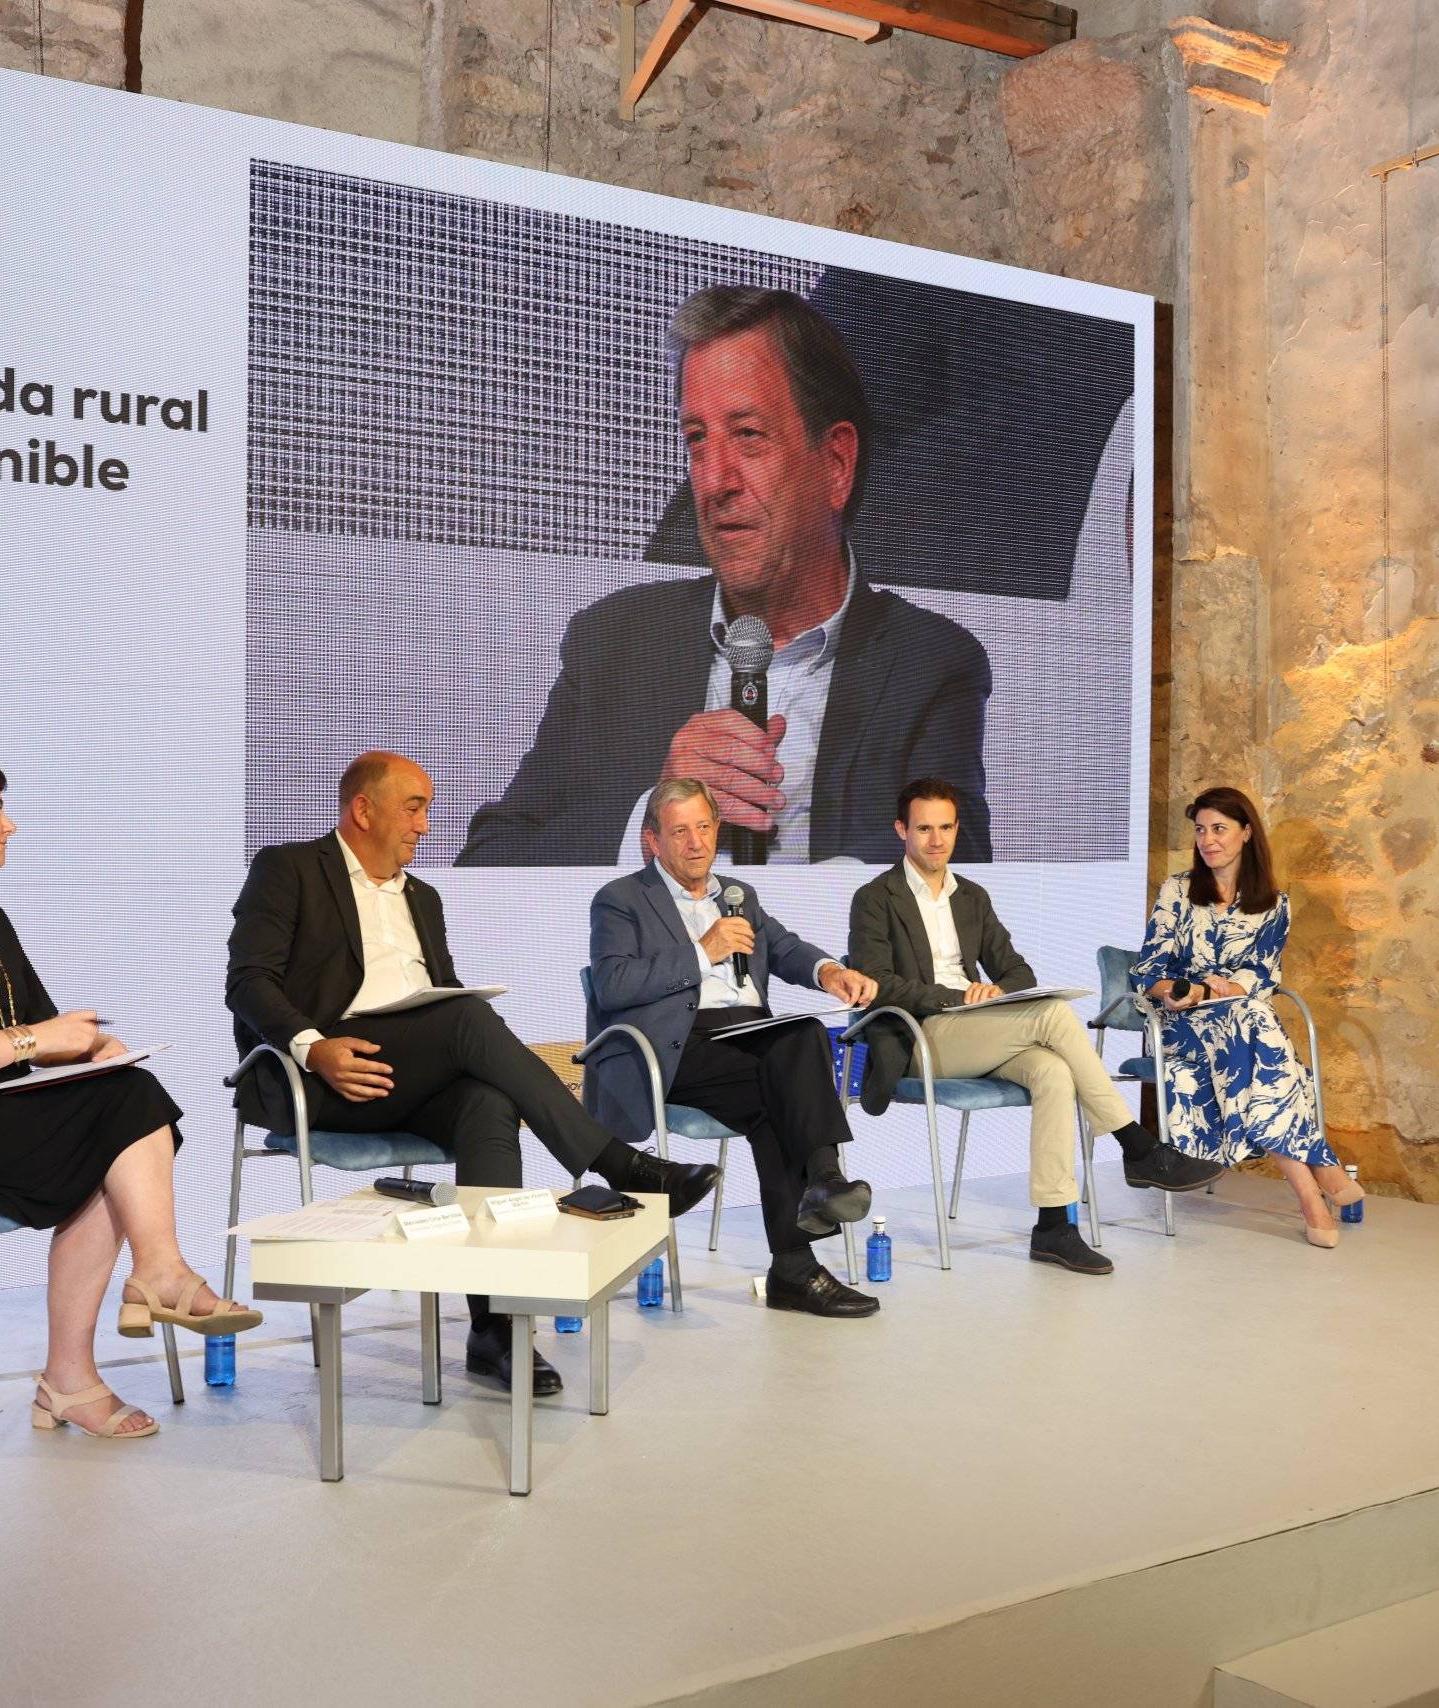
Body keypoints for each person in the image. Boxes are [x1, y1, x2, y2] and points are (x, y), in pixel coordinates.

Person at [227, 751, 722, 1396]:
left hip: (411, 1072)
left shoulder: (423, 897)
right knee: (465, 1021)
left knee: (488, 1101)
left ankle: (494, 1330)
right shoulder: (289, 869)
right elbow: (247, 982)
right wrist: (313, 1046)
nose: (426, 826)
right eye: (414, 808)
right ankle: (620, 1165)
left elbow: (442, 995)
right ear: (362, 810)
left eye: (427, 810)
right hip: (327, 1075)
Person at [458, 285, 991, 867]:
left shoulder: (931, 664)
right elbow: (490, 862)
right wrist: (652, 823)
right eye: (697, 440)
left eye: (748, 435)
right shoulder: (614, 640)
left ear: (835, 465)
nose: (714, 481)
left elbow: (958, 876)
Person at [0, 753, 260, 1442]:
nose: (11, 823)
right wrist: (42, 1040)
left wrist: (91, 1048)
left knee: (123, 1101)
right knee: (121, 1113)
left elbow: (38, 1033)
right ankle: (156, 1276)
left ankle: (75, 1374)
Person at [847, 780, 1225, 1274]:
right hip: (917, 1036)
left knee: (1052, 1071)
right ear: (902, 830)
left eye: (945, 827)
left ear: (957, 829)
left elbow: (1016, 970)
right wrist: (959, 996)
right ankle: (1138, 1146)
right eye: (924, 828)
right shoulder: (875, 897)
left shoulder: (972, 896)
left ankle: (1053, 1226)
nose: (936, 840)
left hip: (976, 1031)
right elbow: (878, 983)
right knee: (1050, 1016)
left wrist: (997, 993)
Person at [584, 778, 885, 1318]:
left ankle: (794, 1265)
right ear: (654, 841)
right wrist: (703, 951)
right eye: (680, 832)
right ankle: (823, 1182)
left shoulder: (737, 893)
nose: (697, 843)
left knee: (780, 1089)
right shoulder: (621, 899)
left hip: (750, 1040)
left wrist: (830, 971)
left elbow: (785, 947)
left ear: (718, 829)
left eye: (704, 827)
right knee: (799, 1044)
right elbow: (613, 985)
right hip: (678, 1048)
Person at [1132, 787, 1359, 1247]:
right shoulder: (1177, 890)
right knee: (1256, 1026)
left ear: (1246, 833)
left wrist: (1228, 989)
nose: (1207, 840)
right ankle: (1318, 1177)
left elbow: (1262, 976)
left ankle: (1311, 1193)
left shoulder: (1275, 904)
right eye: (1200, 830)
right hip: (1180, 1022)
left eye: (1219, 829)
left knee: (1248, 1015)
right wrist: (1188, 990)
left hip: (1238, 1023)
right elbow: (1149, 970)